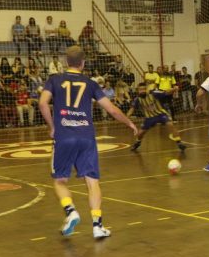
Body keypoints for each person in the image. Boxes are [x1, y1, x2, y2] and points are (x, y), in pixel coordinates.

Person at [38, 45, 138, 239]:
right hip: (86, 137)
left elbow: (42, 103)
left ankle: (71, 211)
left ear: (66, 62)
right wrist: (129, 122)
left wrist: (52, 127)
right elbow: (112, 110)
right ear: (83, 63)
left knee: (60, 181)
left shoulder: (54, 79)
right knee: (93, 182)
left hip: (64, 137)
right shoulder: (90, 83)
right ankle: (97, 225)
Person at [127, 82, 187, 152]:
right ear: (138, 90)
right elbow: (131, 109)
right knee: (140, 133)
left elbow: (166, 92)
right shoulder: (137, 99)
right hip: (149, 118)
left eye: (144, 89)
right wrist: (126, 118)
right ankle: (138, 142)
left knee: (170, 124)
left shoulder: (154, 94)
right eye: (140, 89)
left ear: (146, 89)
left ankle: (179, 143)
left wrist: (174, 89)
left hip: (160, 114)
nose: (142, 91)